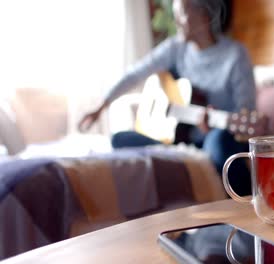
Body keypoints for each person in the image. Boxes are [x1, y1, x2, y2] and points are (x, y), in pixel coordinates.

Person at [78, 0, 256, 196]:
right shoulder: (176, 48)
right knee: (120, 139)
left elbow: (246, 110)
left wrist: (215, 125)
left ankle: (248, 205)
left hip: (219, 135)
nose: (176, 21)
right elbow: (136, 73)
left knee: (221, 141)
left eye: (181, 14)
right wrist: (101, 106)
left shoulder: (235, 54)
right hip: (179, 139)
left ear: (204, 15)